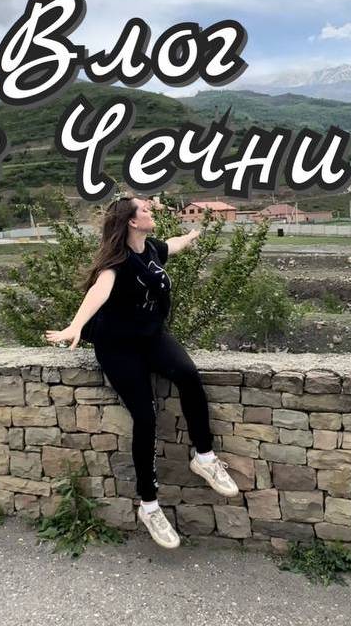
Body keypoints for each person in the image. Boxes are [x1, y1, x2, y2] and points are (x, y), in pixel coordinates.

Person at [44, 195, 239, 549]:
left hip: (151, 336)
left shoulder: (150, 248)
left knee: (188, 376)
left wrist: (191, 236)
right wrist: (75, 325)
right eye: (145, 210)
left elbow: (172, 245)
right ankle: (149, 506)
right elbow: (99, 291)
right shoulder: (117, 262)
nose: (151, 212)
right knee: (146, 418)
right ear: (132, 221)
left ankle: (204, 457)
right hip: (118, 347)